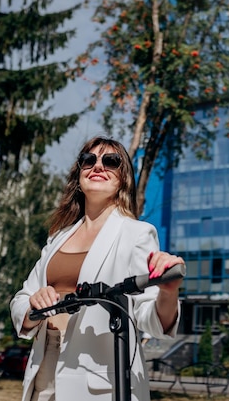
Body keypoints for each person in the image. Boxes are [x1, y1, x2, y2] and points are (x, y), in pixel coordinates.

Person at [10, 136, 185, 401]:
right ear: (78, 175)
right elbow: (21, 299)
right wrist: (33, 307)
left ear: (123, 178)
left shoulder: (137, 234)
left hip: (99, 384)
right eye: (88, 160)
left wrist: (168, 293)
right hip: (43, 369)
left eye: (111, 161)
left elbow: (152, 320)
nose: (98, 166)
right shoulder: (58, 237)